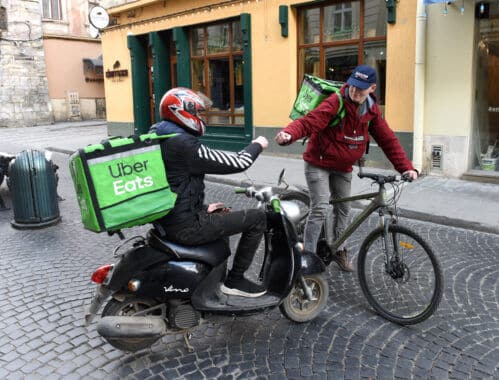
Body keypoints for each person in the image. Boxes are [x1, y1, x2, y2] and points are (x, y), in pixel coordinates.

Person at [275, 65, 418, 272]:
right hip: (319, 163)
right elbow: (310, 121)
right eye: (353, 86)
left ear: (372, 88)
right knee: (321, 208)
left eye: (361, 89)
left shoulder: (371, 111)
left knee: (344, 210)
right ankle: (308, 259)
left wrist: (406, 167)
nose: (355, 91)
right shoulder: (336, 101)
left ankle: (339, 250)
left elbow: (388, 140)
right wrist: (289, 134)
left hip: (343, 167)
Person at [151, 87, 269, 297]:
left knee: (221, 213)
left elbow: (175, 183)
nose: (200, 118)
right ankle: (234, 281)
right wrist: (257, 144)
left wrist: (204, 208)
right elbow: (237, 162)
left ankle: (211, 281)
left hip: (168, 218)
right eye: (198, 113)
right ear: (183, 112)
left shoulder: (160, 133)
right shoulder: (184, 143)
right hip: (186, 226)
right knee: (258, 218)